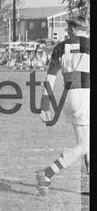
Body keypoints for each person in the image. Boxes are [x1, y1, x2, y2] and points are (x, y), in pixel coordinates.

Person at [36, 16, 90, 196]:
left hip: (69, 97)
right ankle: (47, 173)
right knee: (83, 145)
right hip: (84, 95)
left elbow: (50, 77)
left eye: (68, 28)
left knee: (86, 142)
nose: (67, 31)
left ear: (74, 29)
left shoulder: (59, 48)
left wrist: (45, 104)